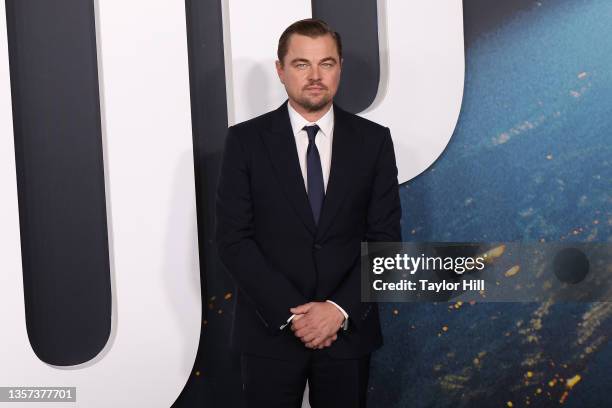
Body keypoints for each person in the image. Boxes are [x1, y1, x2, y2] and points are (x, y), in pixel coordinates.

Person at [215, 18, 401, 408]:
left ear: (340, 68)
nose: (315, 76)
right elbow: (233, 240)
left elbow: (385, 241)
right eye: (302, 64)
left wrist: (338, 310)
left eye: (326, 64)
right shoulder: (245, 141)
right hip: (270, 334)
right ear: (280, 70)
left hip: (347, 334)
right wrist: (295, 315)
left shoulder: (374, 141)